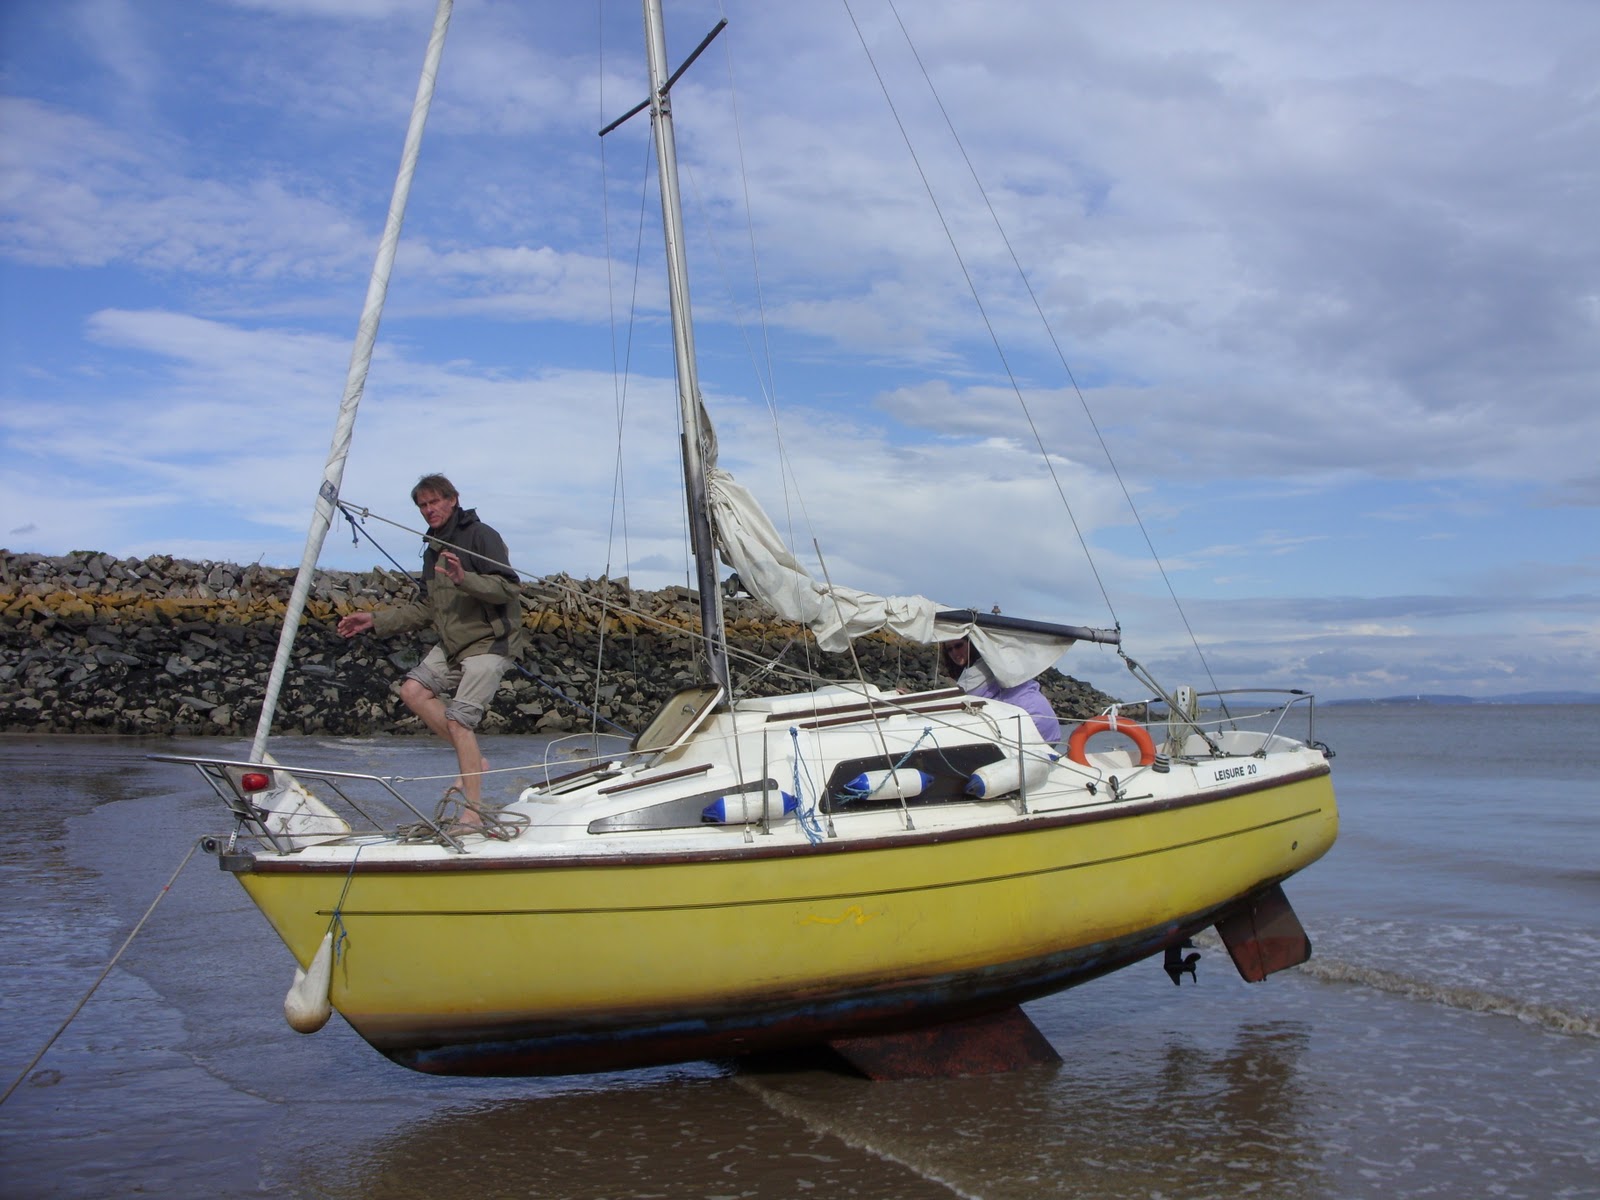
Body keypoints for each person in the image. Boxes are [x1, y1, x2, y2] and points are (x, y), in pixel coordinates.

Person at [337, 473, 523, 826]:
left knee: (459, 719)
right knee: (413, 690)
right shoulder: (434, 545)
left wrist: (463, 578)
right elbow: (426, 608)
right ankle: (474, 763)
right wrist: (375, 621)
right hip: (454, 643)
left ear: (453, 500)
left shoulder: (481, 536)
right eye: (423, 505)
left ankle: (474, 813)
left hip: (491, 641)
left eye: (434, 501)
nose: (428, 509)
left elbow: (508, 589)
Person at [940, 635, 1062, 743]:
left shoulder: (978, 673)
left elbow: (964, 701)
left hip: (1032, 725)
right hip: (1047, 723)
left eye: (958, 645)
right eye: (949, 649)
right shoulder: (997, 660)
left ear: (971, 643)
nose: (954, 652)